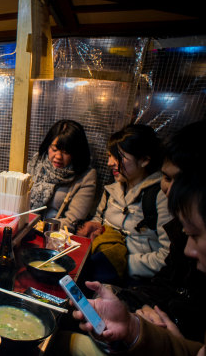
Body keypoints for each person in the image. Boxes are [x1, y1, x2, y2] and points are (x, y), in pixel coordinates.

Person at [71, 169, 206, 355]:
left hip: (135, 281)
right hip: (144, 304)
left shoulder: (156, 197)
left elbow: (162, 262)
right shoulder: (111, 189)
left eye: (195, 235)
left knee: (62, 340)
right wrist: (133, 327)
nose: (187, 250)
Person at [111, 120, 206, 341]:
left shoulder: (159, 199)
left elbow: (164, 262)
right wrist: (129, 302)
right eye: (166, 177)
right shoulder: (115, 188)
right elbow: (167, 280)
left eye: (176, 180)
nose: (170, 190)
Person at [78, 124, 172, 281]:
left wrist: (117, 262)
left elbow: (167, 257)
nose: (110, 163)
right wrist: (94, 228)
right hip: (100, 272)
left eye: (118, 157)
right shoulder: (111, 190)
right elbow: (99, 220)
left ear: (144, 160)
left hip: (135, 282)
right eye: (109, 156)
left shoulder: (160, 196)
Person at [27, 120, 97, 232]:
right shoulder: (37, 162)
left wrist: (39, 227)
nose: (58, 156)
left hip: (56, 235)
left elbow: (72, 221)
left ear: (76, 153)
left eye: (66, 152)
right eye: (54, 149)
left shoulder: (86, 176)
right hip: (26, 226)